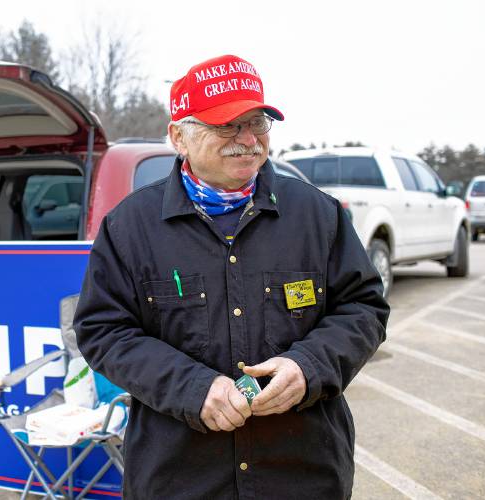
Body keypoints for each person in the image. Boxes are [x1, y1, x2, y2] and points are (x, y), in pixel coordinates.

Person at [73, 54, 389, 499]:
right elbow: (103, 330)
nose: (247, 139)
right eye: (226, 126)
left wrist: (309, 366)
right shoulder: (130, 227)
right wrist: (190, 387)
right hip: (179, 477)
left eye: (257, 122)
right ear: (178, 136)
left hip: (302, 474)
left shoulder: (318, 215)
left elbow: (363, 309)